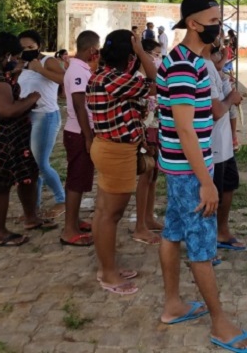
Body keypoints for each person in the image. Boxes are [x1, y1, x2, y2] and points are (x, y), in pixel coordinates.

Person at [157, 0, 247, 352]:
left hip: (179, 168)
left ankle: (173, 304)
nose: (219, 27)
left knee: (173, 233)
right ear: (193, 24)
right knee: (201, 246)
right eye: (213, 20)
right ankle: (221, 324)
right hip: (190, 172)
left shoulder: (186, 59)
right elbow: (186, 128)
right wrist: (206, 182)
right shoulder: (185, 66)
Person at [87, 29, 157, 294]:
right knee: (110, 215)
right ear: (129, 55)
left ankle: (108, 266)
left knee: (104, 211)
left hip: (108, 147)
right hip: (116, 152)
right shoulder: (117, 79)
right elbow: (155, 80)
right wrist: (141, 51)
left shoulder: (103, 76)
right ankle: (107, 273)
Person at [0, 32, 54, 247]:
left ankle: (31, 217)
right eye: (16, 57)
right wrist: (31, 99)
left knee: (28, 176)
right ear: (6, 55)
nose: (18, 61)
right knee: (1, 185)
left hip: (15, 135)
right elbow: (6, 110)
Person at [17, 30, 67, 219]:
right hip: (27, 116)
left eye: (31, 47)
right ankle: (34, 205)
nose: (27, 50)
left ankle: (61, 199)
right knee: (31, 164)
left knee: (41, 163)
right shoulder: (22, 65)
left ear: (39, 45)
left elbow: (64, 79)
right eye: (23, 48)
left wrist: (40, 70)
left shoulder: (48, 61)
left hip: (45, 116)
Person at [60, 30, 101, 247]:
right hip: (78, 131)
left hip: (80, 130)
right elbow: (79, 105)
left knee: (80, 177)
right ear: (92, 50)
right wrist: (88, 136)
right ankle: (69, 230)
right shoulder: (77, 70)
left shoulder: (81, 68)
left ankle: (74, 220)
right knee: (76, 180)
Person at [207, 42, 245, 252]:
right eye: (219, 53)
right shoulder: (203, 67)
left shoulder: (216, 71)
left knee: (229, 184)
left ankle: (222, 231)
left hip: (223, 144)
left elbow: (229, 109)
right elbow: (216, 111)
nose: (222, 57)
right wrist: (231, 98)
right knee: (213, 194)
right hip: (212, 145)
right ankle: (207, 240)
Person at [131, 38, 165, 245]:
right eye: (154, 54)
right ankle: (139, 226)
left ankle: (148, 217)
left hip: (156, 128)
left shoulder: (148, 77)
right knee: (145, 174)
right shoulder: (136, 78)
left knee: (153, 175)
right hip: (145, 131)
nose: (157, 59)